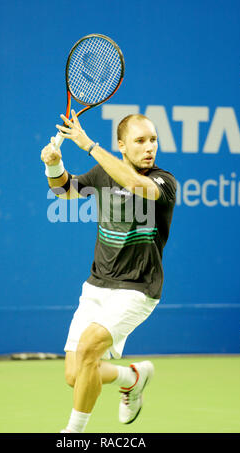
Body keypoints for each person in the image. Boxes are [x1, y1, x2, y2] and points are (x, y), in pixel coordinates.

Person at [40, 111, 177, 433]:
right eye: (140, 141)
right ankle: (132, 377)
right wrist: (53, 164)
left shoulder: (163, 181)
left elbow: (133, 183)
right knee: (76, 375)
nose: (149, 148)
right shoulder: (103, 172)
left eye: (153, 140)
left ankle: (72, 434)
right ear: (122, 145)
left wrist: (88, 144)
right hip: (97, 285)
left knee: (88, 349)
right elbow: (65, 190)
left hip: (137, 289)